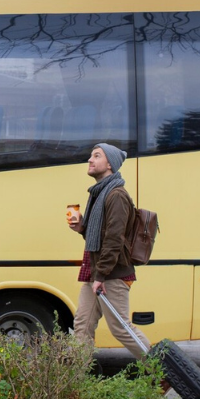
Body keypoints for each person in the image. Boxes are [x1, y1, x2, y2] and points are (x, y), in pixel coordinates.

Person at [68, 143, 148, 359]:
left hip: (111, 273)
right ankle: (76, 383)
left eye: (96, 156)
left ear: (110, 164)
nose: (90, 160)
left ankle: (162, 371)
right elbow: (101, 237)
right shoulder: (98, 193)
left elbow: (114, 239)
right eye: (90, 156)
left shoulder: (116, 195)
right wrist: (83, 228)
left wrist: (101, 275)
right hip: (96, 272)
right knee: (82, 326)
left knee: (121, 328)